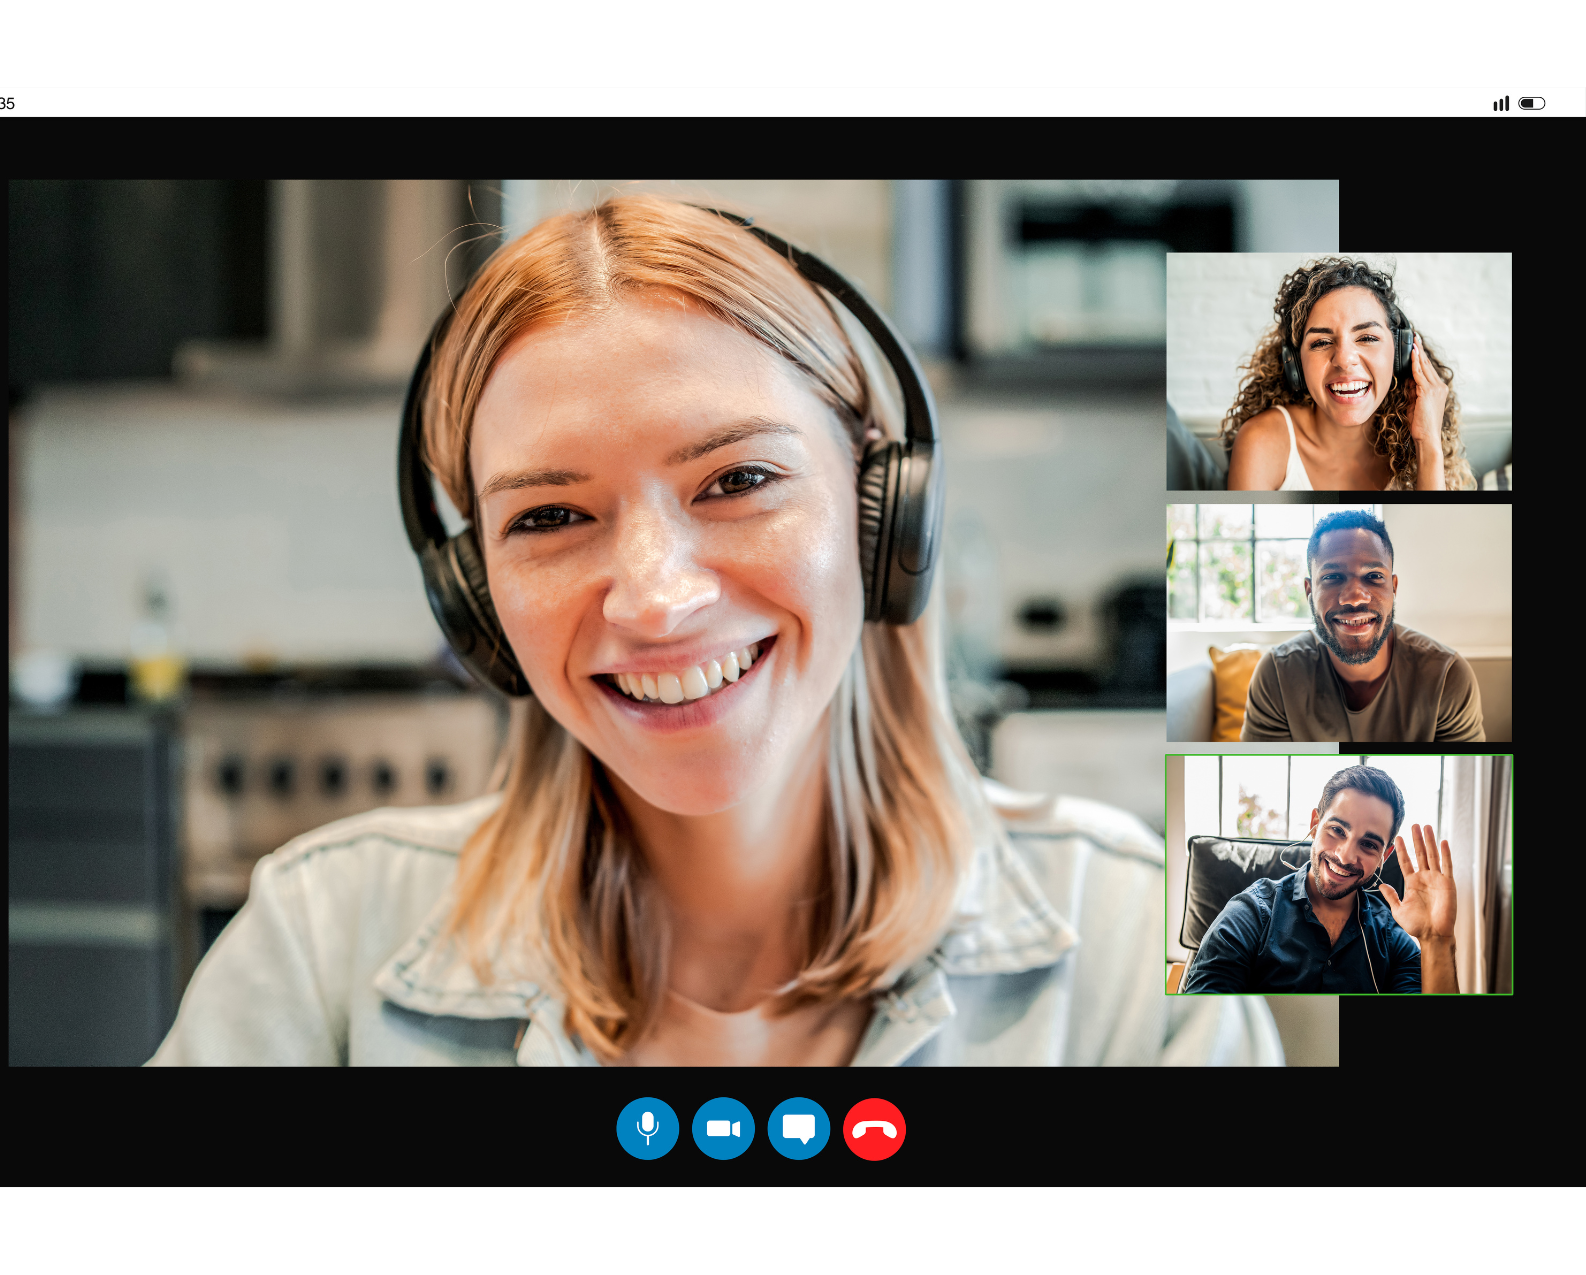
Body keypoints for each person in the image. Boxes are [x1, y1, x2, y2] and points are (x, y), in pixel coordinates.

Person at [150, 196, 1278, 1066]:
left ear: (881, 513)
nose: (654, 600)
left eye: (737, 478)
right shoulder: (318, 944)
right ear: (473, 593)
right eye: (547, 516)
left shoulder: (1134, 938)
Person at [1182, 765, 1459, 994]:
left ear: (1384, 855)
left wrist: (1437, 940)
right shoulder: (1252, 914)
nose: (1346, 855)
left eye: (1369, 845)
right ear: (1315, 824)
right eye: (1337, 830)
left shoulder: (1391, 937)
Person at [1222, 258, 1474, 491]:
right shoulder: (1262, 441)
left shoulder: (1421, 437)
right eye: (1321, 342)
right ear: (1296, 364)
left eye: (1366, 338)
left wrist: (1428, 445)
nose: (1344, 360)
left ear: (1400, 353)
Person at [1242, 509, 1485, 742]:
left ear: (1393, 587)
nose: (1355, 597)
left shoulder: (1447, 677)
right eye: (1332, 577)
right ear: (1309, 591)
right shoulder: (1276, 675)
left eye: (1374, 577)